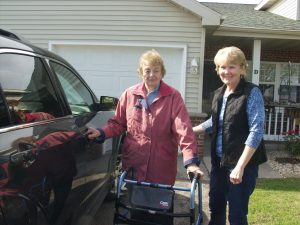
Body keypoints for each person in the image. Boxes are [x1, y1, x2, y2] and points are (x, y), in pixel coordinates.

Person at [86, 49, 203, 185]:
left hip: (161, 167)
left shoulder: (173, 97)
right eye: (147, 70)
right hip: (134, 164)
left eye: (156, 70)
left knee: (159, 205)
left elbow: (183, 129)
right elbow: (118, 123)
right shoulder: (129, 95)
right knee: (133, 204)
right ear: (141, 72)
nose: (151, 75)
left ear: (162, 73)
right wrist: (101, 132)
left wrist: (191, 162)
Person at [193, 46, 267, 225]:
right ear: (217, 69)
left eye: (232, 66)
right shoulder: (219, 93)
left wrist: (240, 167)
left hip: (242, 166)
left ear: (243, 68)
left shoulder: (251, 93)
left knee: (236, 214)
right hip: (219, 164)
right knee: (215, 208)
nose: (226, 71)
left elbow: (256, 131)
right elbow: (214, 121)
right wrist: (189, 130)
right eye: (222, 67)